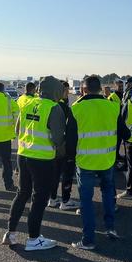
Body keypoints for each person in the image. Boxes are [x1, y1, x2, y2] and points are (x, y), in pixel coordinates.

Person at [66, 75, 131, 249]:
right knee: (108, 194)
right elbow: (126, 134)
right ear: (101, 89)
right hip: (107, 161)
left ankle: (88, 239)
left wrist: (70, 159)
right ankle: (110, 228)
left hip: (85, 162)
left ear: (83, 90)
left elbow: (70, 140)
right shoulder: (112, 107)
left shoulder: (76, 108)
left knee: (86, 201)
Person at [3, 76, 66, 251]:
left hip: (23, 155)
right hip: (43, 159)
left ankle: (10, 233)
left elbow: (17, 130)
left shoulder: (27, 104)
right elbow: (58, 138)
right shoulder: (54, 108)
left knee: (22, 193)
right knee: (39, 199)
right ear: (55, 91)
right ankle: (33, 238)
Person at [48, 81, 79, 211]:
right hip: (63, 146)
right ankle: (65, 200)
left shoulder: (51, 105)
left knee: (54, 174)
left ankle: (53, 198)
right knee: (66, 174)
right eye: (65, 90)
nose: (67, 93)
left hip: (52, 146)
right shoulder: (62, 107)